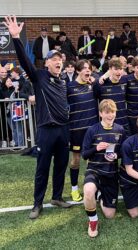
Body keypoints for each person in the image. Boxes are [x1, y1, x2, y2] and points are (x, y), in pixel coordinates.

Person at [3, 15, 73, 219]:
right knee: (42, 168)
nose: (58, 62)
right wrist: (15, 37)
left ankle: (57, 197)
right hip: (46, 130)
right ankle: (37, 203)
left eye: (60, 59)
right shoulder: (39, 77)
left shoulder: (62, 82)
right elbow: (25, 62)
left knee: (61, 166)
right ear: (47, 64)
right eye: (54, 60)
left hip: (63, 130)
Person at [82, 99, 125, 238]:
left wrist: (115, 156)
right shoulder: (92, 130)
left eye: (112, 112)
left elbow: (124, 153)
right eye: (107, 112)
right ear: (101, 114)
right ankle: (93, 221)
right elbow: (84, 154)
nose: (110, 115)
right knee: (88, 191)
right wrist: (96, 148)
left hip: (111, 172)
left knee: (110, 215)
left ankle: (100, 195)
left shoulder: (120, 130)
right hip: (94, 170)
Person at [67, 60, 99, 202]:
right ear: (77, 71)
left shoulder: (93, 85)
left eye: (89, 68)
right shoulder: (69, 87)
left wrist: (96, 81)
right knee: (76, 160)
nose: (88, 71)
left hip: (92, 130)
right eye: (85, 68)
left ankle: (91, 188)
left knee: (91, 160)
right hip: (76, 130)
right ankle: (74, 188)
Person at [95, 58, 130, 135]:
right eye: (116, 69)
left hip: (123, 123)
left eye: (120, 69)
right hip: (107, 125)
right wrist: (104, 76)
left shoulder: (125, 81)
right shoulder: (101, 83)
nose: (119, 72)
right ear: (110, 69)